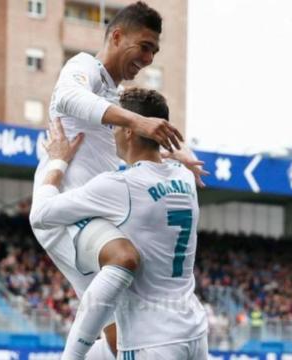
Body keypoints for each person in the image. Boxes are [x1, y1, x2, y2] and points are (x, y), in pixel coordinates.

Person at [32, 2, 207, 359]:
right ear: (116, 36)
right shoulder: (84, 67)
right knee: (126, 257)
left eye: (155, 51)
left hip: (98, 215)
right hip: (65, 213)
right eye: (144, 46)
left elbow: (144, 132)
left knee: (118, 342)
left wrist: (179, 151)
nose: (149, 58)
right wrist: (134, 122)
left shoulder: (116, 95)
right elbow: (68, 96)